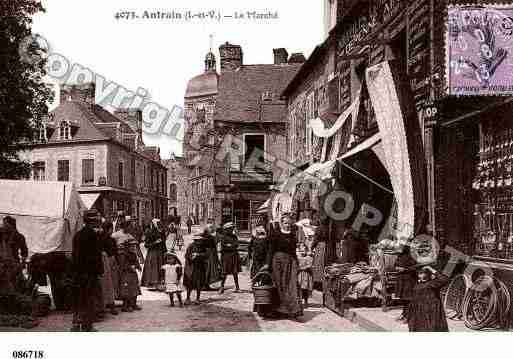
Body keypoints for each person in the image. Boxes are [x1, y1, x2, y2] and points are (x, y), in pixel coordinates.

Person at [263, 213, 303, 319]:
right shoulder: (276, 234)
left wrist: (297, 263)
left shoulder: (293, 235)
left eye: (289, 223)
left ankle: (292, 310)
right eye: (285, 223)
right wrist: (268, 263)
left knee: (291, 285)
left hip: (290, 262)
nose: (287, 225)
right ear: (281, 223)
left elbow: (294, 251)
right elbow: (271, 250)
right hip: (278, 262)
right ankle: (278, 310)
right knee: (278, 285)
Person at [71, 210, 104, 332]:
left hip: (78, 273)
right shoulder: (93, 236)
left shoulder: (77, 235)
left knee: (78, 299)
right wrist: (99, 271)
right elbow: (97, 256)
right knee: (89, 299)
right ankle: (87, 325)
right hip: (90, 273)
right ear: (93, 222)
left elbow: (75, 255)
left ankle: (75, 324)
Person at [407, 265, 449, 332]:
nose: (419, 275)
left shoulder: (432, 283)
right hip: (418, 312)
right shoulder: (416, 284)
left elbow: (445, 279)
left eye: (422, 273)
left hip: (431, 311)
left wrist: (431, 269)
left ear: (428, 274)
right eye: (419, 273)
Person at [114, 221, 142, 312]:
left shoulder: (132, 253)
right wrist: (129, 267)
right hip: (126, 274)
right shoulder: (124, 254)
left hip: (133, 274)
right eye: (132, 246)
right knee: (125, 289)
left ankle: (133, 304)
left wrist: (138, 266)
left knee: (134, 289)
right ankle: (125, 305)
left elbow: (136, 259)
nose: (133, 247)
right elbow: (123, 264)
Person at [98, 221, 118, 316]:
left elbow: (115, 251)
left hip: (111, 261)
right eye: (110, 229)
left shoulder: (110, 239)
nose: (111, 231)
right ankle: (108, 305)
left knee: (110, 284)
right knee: (107, 284)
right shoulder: (102, 238)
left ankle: (110, 304)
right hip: (105, 262)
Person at [141, 219, 166, 290]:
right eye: (157, 224)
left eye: (160, 224)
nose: (159, 225)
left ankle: (159, 283)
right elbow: (146, 245)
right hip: (152, 252)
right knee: (153, 268)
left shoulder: (162, 232)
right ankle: (152, 283)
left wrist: (165, 251)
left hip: (160, 252)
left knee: (160, 267)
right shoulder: (149, 232)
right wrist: (155, 242)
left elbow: (163, 243)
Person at [395, 243, 417, 323]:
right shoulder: (400, 256)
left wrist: (405, 269)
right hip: (401, 280)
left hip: (409, 280)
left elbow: (416, 267)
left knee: (408, 298)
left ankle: (408, 316)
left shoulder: (412, 256)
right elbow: (395, 264)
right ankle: (404, 313)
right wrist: (396, 267)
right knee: (404, 298)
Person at [183, 233, 207, 305]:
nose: (200, 242)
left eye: (201, 240)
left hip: (199, 268)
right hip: (191, 268)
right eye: (199, 240)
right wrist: (192, 257)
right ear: (195, 240)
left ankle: (198, 299)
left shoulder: (203, 247)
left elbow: (206, 255)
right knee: (189, 283)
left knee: (199, 283)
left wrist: (199, 255)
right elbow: (186, 255)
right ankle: (187, 298)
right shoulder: (191, 246)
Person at [218, 222, 241, 294]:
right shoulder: (223, 237)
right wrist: (231, 246)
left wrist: (230, 246)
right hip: (226, 257)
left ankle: (237, 287)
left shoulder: (234, 237)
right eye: (229, 229)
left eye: (232, 229)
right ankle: (222, 287)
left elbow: (236, 245)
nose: (231, 230)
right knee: (224, 273)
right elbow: (224, 246)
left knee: (235, 272)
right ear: (226, 229)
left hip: (234, 256)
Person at [203, 219, 222, 291]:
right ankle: (205, 284)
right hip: (208, 254)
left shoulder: (212, 236)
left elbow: (217, 241)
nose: (211, 229)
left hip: (212, 254)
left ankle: (207, 284)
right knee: (208, 269)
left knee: (211, 269)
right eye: (209, 229)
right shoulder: (208, 237)